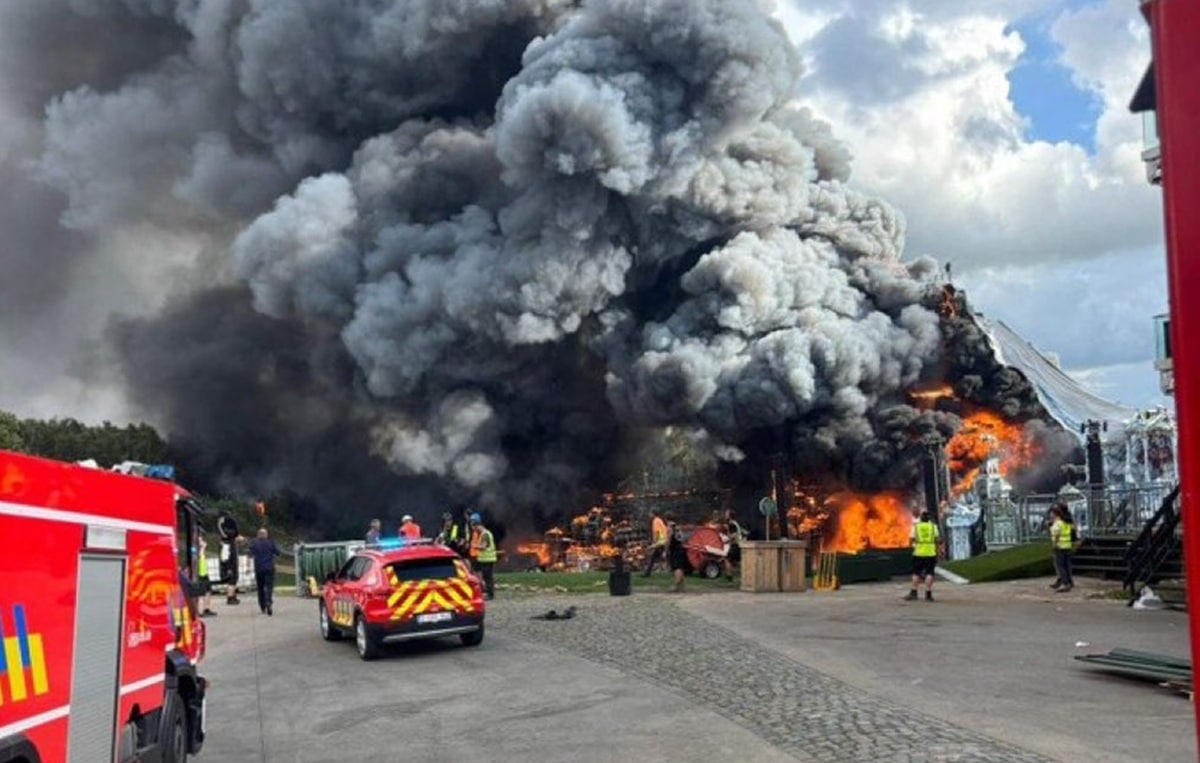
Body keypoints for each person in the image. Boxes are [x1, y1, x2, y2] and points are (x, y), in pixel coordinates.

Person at [905, 509, 941, 602]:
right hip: (930, 553)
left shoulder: (916, 527)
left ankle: (914, 592)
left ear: (921, 518)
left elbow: (911, 540)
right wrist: (938, 551)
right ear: (929, 518)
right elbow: (937, 540)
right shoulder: (933, 527)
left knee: (916, 573)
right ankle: (928, 594)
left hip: (918, 553)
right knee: (929, 573)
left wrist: (914, 547)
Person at [247, 527, 282, 616]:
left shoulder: (254, 543)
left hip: (259, 569)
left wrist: (248, 567)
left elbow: (249, 555)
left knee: (260, 588)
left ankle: (262, 606)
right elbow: (278, 552)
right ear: (266, 535)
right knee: (269, 587)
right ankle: (268, 602)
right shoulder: (271, 542)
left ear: (258, 535)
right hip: (269, 568)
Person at [217, 511, 242, 606]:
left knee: (230, 573)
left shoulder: (220, 524)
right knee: (232, 573)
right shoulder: (227, 524)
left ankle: (232, 595)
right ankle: (230, 596)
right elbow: (234, 535)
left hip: (225, 548)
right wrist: (237, 538)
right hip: (228, 550)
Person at [1049, 503, 1076, 593]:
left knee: (1060, 566)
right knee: (1066, 565)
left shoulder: (1058, 523)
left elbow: (1056, 534)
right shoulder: (1066, 522)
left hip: (1060, 546)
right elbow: (1072, 529)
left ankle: (1065, 583)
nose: (1050, 515)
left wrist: (1054, 544)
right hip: (1067, 545)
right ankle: (1068, 582)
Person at [469, 513, 496, 600]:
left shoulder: (484, 534)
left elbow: (483, 547)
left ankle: (490, 594)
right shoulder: (485, 533)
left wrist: (474, 546)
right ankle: (489, 593)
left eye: (475, 527)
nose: (474, 529)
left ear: (478, 525)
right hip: (487, 559)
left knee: (488, 577)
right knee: (488, 577)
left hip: (487, 559)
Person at [642, 510, 669, 577]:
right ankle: (648, 573)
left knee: (653, 556)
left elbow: (656, 532)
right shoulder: (659, 520)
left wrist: (654, 542)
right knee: (655, 557)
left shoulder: (655, 521)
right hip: (663, 540)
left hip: (660, 541)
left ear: (653, 514)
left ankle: (647, 573)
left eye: (650, 513)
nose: (649, 515)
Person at [666, 519, 689, 593]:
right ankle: (682, 587)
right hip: (681, 549)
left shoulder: (670, 528)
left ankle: (675, 586)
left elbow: (668, 540)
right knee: (680, 568)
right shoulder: (678, 528)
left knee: (677, 568)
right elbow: (683, 539)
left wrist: (666, 550)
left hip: (675, 550)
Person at [197, 534, 215, 617]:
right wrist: (203, 547)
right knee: (201, 593)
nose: (203, 541)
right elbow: (200, 557)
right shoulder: (197, 550)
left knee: (208, 591)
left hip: (204, 572)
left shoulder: (201, 550)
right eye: (200, 540)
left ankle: (206, 608)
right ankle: (200, 611)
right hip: (200, 573)